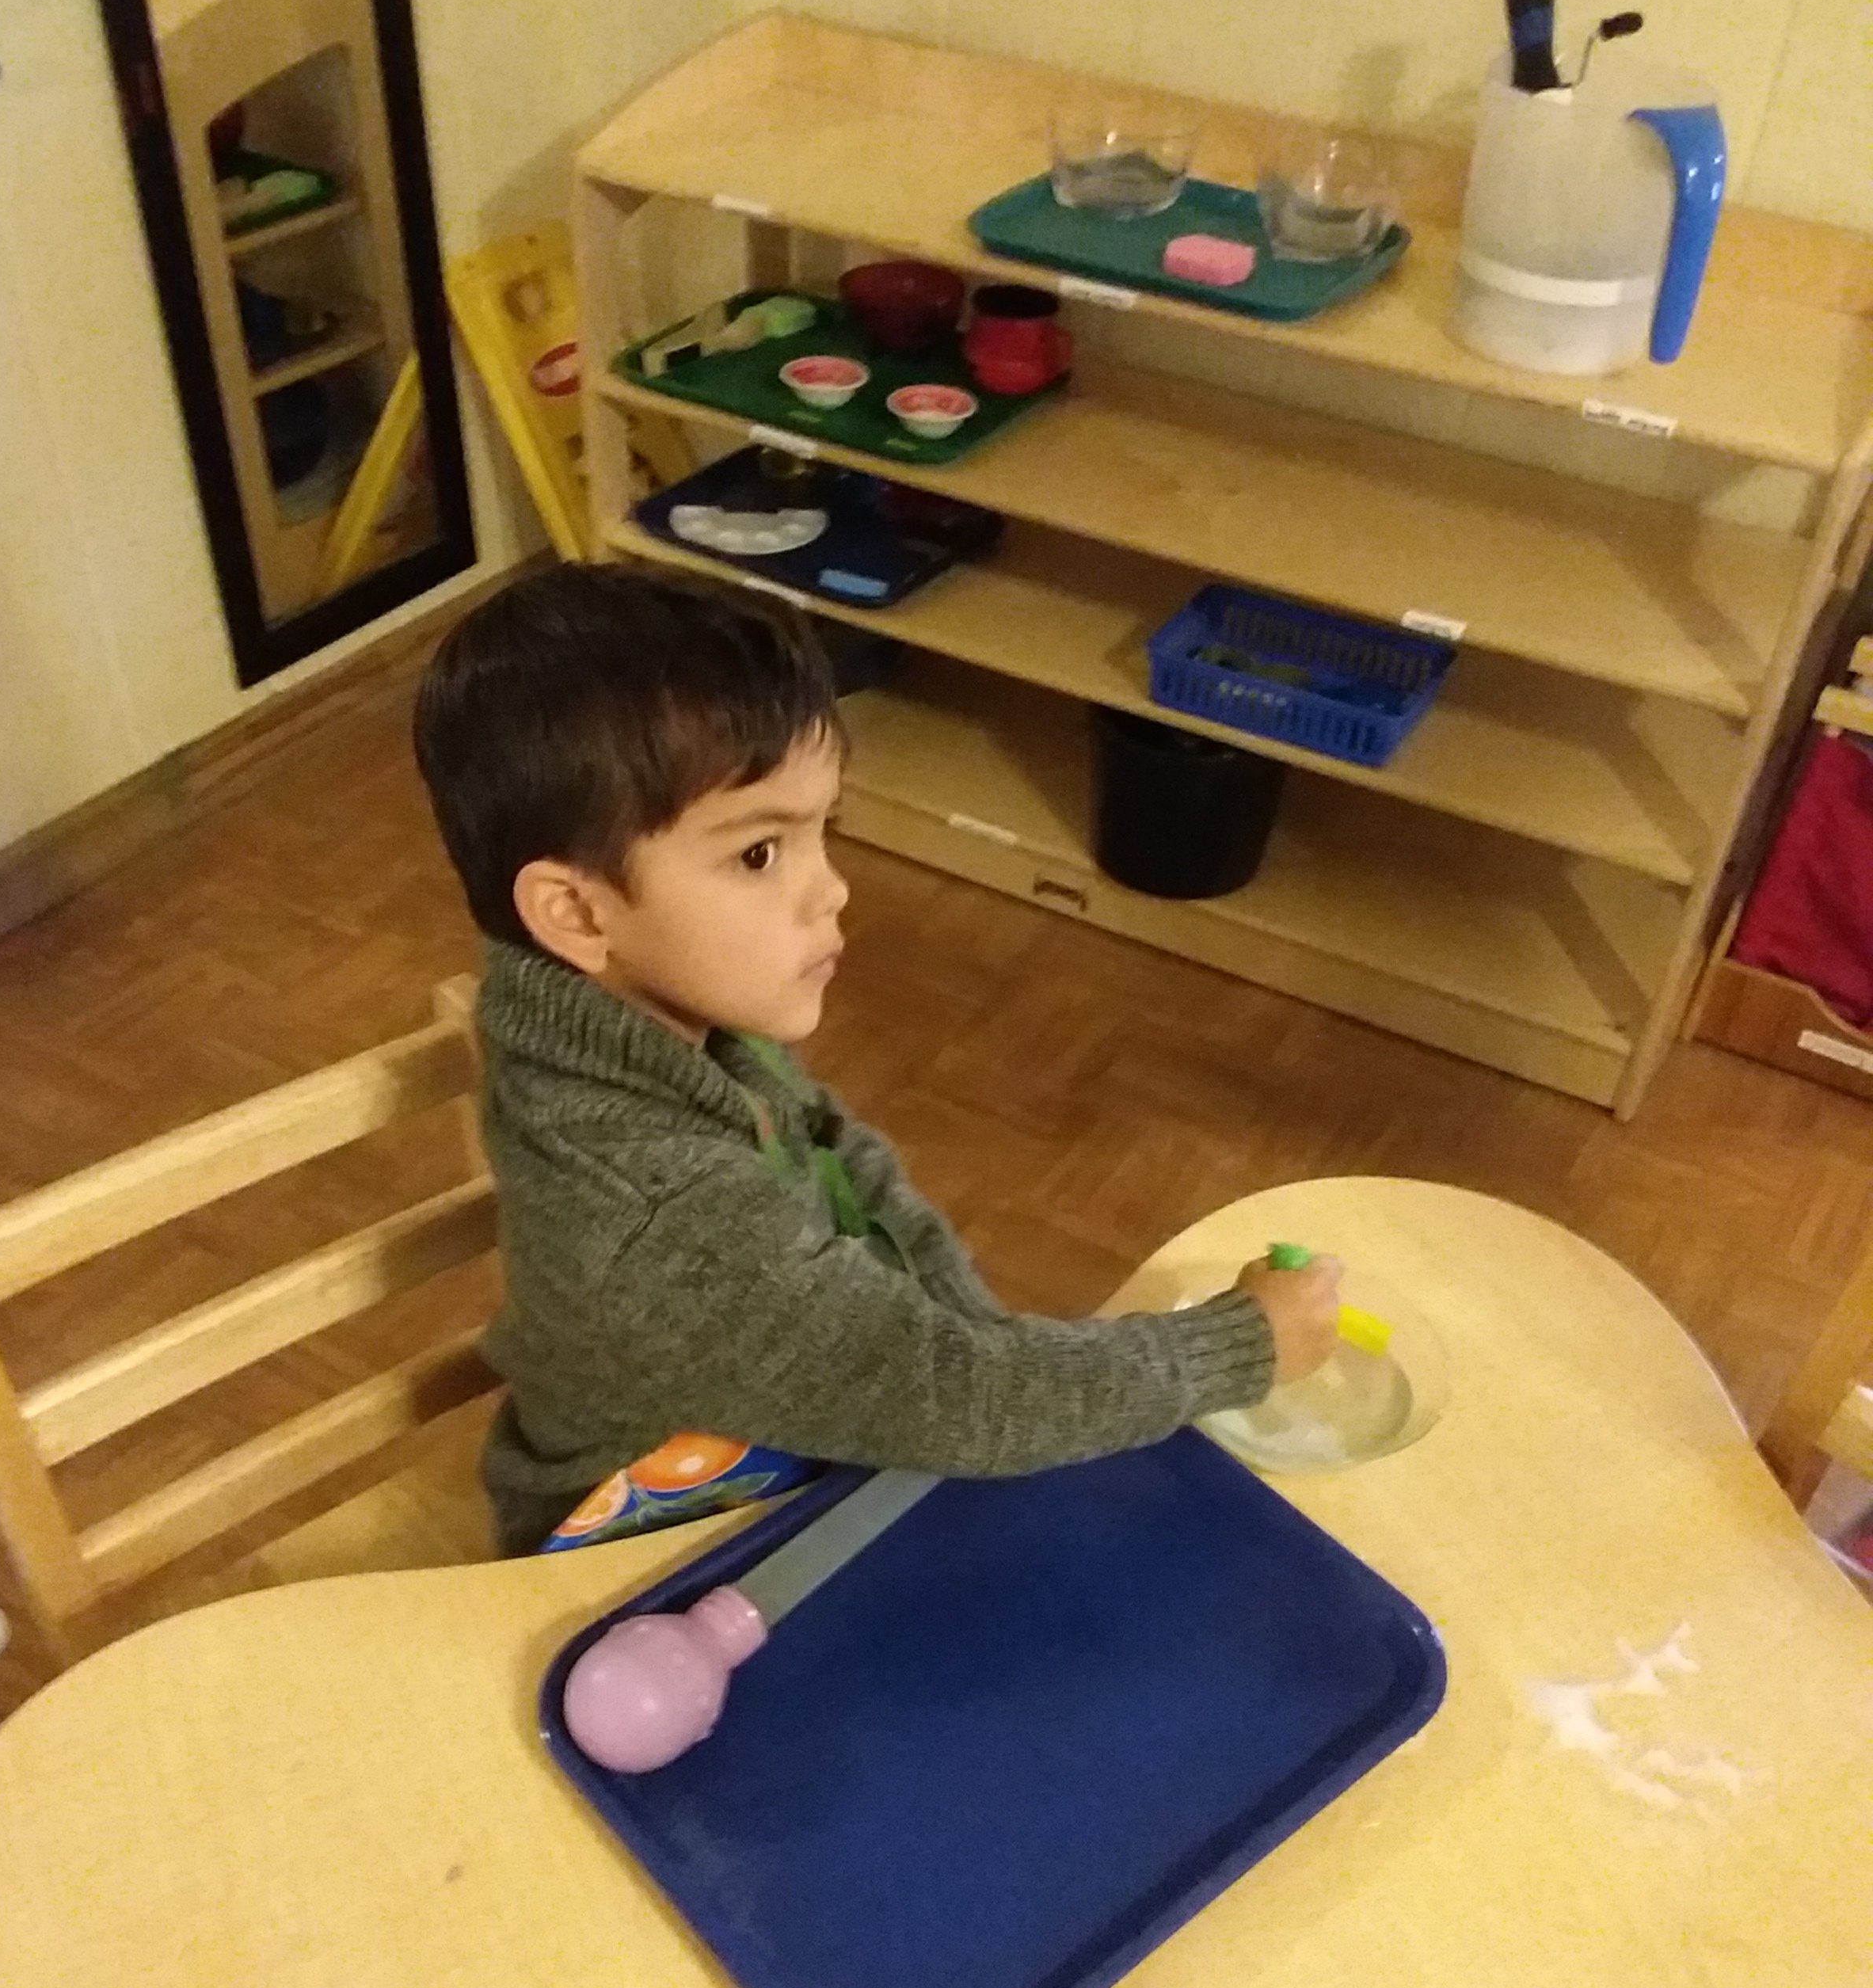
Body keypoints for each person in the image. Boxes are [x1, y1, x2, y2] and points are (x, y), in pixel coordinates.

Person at [414, 564, 1340, 1555]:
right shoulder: (664, 1220)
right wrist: (1239, 1346)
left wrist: (969, 1333)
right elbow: (964, 1403)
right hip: (638, 1558)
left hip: (764, 1452)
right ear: (576, 912)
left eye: (827, 830)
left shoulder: (653, 1014)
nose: (833, 891)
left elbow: (840, 1164)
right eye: (759, 854)